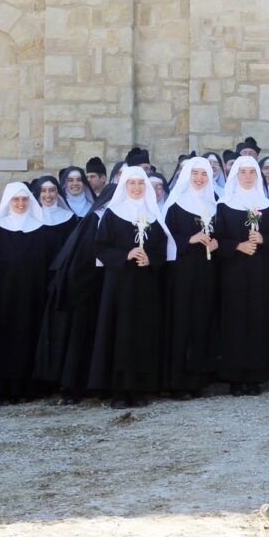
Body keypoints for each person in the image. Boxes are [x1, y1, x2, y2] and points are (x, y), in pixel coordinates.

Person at [89, 166, 171, 408]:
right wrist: (126, 254)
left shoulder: (153, 214)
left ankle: (139, 388)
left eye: (140, 183)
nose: (136, 187)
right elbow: (100, 247)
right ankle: (119, 391)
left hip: (145, 285)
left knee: (142, 334)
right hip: (119, 285)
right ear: (124, 186)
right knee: (119, 333)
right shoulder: (113, 214)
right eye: (132, 183)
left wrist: (151, 259)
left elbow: (162, 248)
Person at [33, 171, 117, 404]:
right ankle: (75, 387)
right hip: (87, 290)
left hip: (109, 288)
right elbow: (82, 259)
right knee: (80, 340)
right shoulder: (95, 219)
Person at [0, 183, 51, 404]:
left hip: (31, 292)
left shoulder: (39, 227)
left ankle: (28, 388)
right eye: (16, 200)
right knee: (5, 338)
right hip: (5, 293)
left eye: (24, 200)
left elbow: (44, 260)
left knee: (29, 336)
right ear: (9, 202)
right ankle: (5, 389)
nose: (20, 204)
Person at [214, 156, 269, 395]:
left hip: (261, 272)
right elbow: (217, 240)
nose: (249, 176)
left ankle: (255, 376)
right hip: (233, 273)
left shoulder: (267, 204)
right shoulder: (224, 204)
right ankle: (234, 377)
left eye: (253, 172)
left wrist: (263, 239)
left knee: (258, 320)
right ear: (235, 175)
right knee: (235, 320)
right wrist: (237, 246)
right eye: (244, 172)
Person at [162, 157, 220, 399]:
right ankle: (178, 382)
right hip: (183, 273)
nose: (199, 178)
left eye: (204, 174)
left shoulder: (215, 204)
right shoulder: (175, 204)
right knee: (182, 323)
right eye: (195, 173)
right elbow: (166, 237)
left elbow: (225, 232)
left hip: (207, 272)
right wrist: (189, 239)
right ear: (187, 175)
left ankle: (198, 379)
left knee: (202, 321)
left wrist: (218, 243)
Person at [33, 175, 80, 266]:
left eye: (51, 190)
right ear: (38, 193)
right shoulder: (32, 218)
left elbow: (74, 249)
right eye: (43, 191)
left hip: (62, 270)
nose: (48, 195)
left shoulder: (70, 218)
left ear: (57, 192)